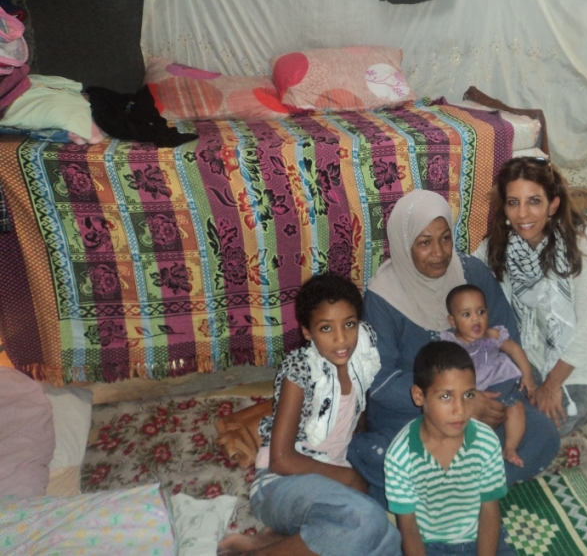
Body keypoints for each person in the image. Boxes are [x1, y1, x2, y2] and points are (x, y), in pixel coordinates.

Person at [347, 190, 559, 505]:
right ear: (405, 246)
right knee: (407, 455)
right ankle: (467, 486)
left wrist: (485, 396)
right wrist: (458, 402)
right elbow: (380, 383)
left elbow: (503, 332)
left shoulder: (470, 272)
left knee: (542, 432)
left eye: (445, 238)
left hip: (482, 402)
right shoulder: (382, 299)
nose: (439, 253)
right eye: (424, 242)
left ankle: (445, 490)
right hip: (413, 415)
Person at [217, 273, 401, 556]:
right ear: (307, 332)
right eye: (326, 328)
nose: (341, 339)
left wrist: (361, 466)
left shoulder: (362, 358)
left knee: (389, 539)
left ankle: (272, 541)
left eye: (349, 324)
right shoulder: (300, 372)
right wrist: (348, 478)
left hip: (328, 483)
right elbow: (281, 460)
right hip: (280, 484)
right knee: (366, 520)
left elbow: (356, 423)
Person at [475, 156, 587, 441]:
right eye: (513, 202)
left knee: (538, 434)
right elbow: (467, 273)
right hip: (534, 348)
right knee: (494, 413)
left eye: (534, 201)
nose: (522, 214)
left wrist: (551, 385)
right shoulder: (502, 243)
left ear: (554, 204)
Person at [384, 340, 516, 556]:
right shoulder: (400, 456)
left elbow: (489, 510)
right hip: (431, 546)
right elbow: (408, 527)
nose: (460, 409)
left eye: (468, 395)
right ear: (419, 396)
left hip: (479, 536)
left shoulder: (486, 442)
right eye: (446, 396)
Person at [440, 283, 536, 467]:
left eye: (481, 312)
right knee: (465, 423)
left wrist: (528, 375)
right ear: (453, 321)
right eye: (466, 315)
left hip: (499, 380)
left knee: (516, 408)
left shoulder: (492, 335)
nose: (476, 319)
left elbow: (515, 350)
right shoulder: (452, 345)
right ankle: (464, 458)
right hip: (473, 392)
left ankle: (510, 448)